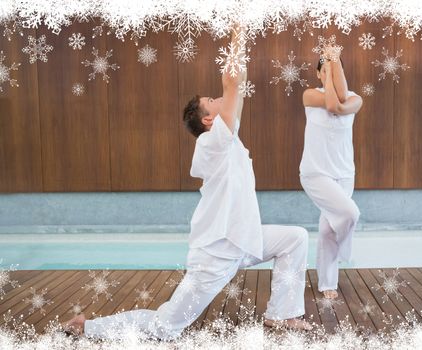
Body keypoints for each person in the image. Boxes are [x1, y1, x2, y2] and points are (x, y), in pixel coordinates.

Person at [63, 26, 312, 341]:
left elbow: (238, 89)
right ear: (208, 120)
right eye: (212, 99)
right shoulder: (215, 142)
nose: (220, 98)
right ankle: (86, 327)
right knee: (165, 328)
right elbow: (235, 81)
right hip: (217, 254)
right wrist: (238, 28)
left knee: (295, 238)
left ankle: (281, 315)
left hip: (243, 241)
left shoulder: (227, 139)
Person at [299, 47, 363, 299]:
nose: (330, 75)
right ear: (318, 74)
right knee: (350, 213)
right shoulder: (309, 95)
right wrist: (329, 66)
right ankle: (346, 252)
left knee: (327, 230)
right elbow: (333, 105)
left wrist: (334, 64)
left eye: (336, 71)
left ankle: (327, 283)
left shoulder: (356, 99)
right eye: (324, 71)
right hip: (315, 173)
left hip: (345, 174)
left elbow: (339, 104)